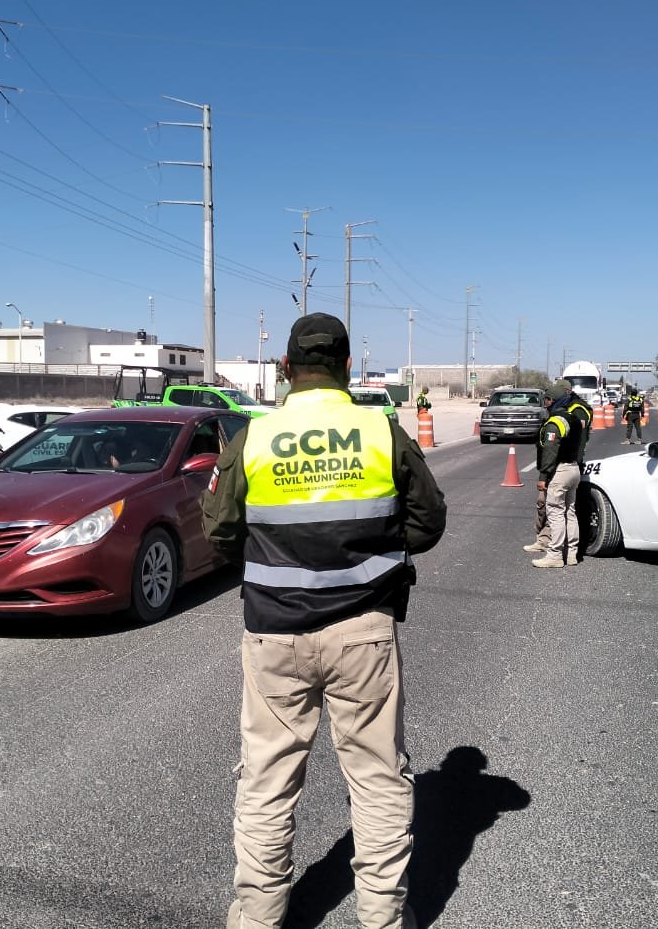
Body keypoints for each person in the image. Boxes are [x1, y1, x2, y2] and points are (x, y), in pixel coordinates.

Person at [202, 312, 447, 929]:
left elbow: (220, 531)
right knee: (376, 777)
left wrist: (275, 558)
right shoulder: (379, 430)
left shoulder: (254, 437)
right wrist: (368, 550)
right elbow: (428, 522)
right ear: (344, 367)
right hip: (363, 629)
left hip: (273, 632)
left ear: (286, 369)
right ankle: (384, 919)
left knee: (267, 778)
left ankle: (258, 918)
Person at [523, 379, 591, 556]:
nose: (545, 402)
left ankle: (555, 552)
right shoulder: (565, 413)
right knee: (563, 510)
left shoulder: (575, 411)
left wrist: (544, 475)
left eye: (548, 398)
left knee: (555, 511)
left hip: (560, 467)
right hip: (567, 466)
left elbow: (555, 448)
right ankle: (563, 550)